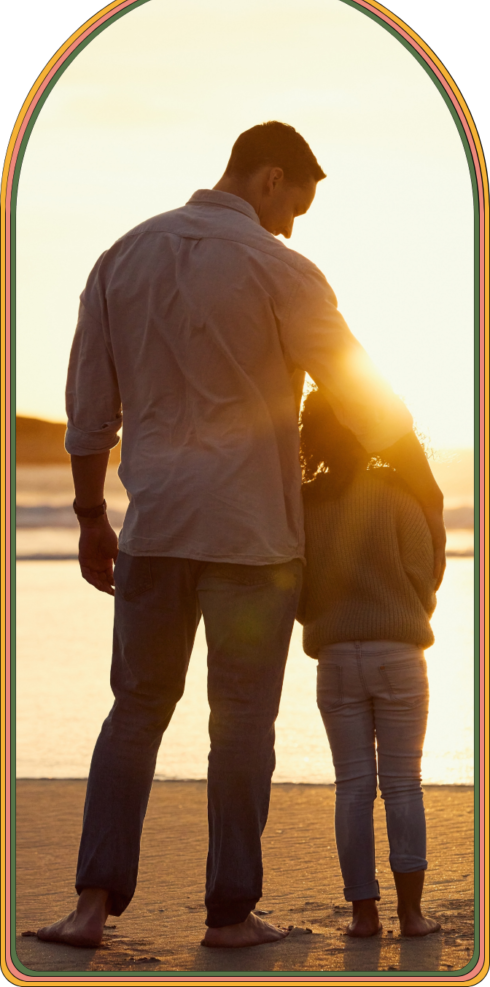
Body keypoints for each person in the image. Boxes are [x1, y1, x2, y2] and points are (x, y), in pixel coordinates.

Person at [37, 121, 445, 951]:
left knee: (136, 711)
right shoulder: (280, 267)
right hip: (254, 543)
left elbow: (89, 414)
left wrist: (90, 517)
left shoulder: (120, 257)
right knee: (242, 725)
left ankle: (89, 907)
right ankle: (230, 915)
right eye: (295, 204)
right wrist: (420, 485)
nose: (292, 225)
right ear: (268, 179)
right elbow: (360, 395)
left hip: (155, 530)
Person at [297, 385, 443, 938]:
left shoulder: (304, 504)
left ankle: (363, 916)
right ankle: (411, 915)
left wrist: (329, 619)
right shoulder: (399, 492)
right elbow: (423, 575)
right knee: (404, 785)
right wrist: (406, 608)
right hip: (398, 652)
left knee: (352, 787)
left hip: (334, 658)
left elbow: (299, 590)